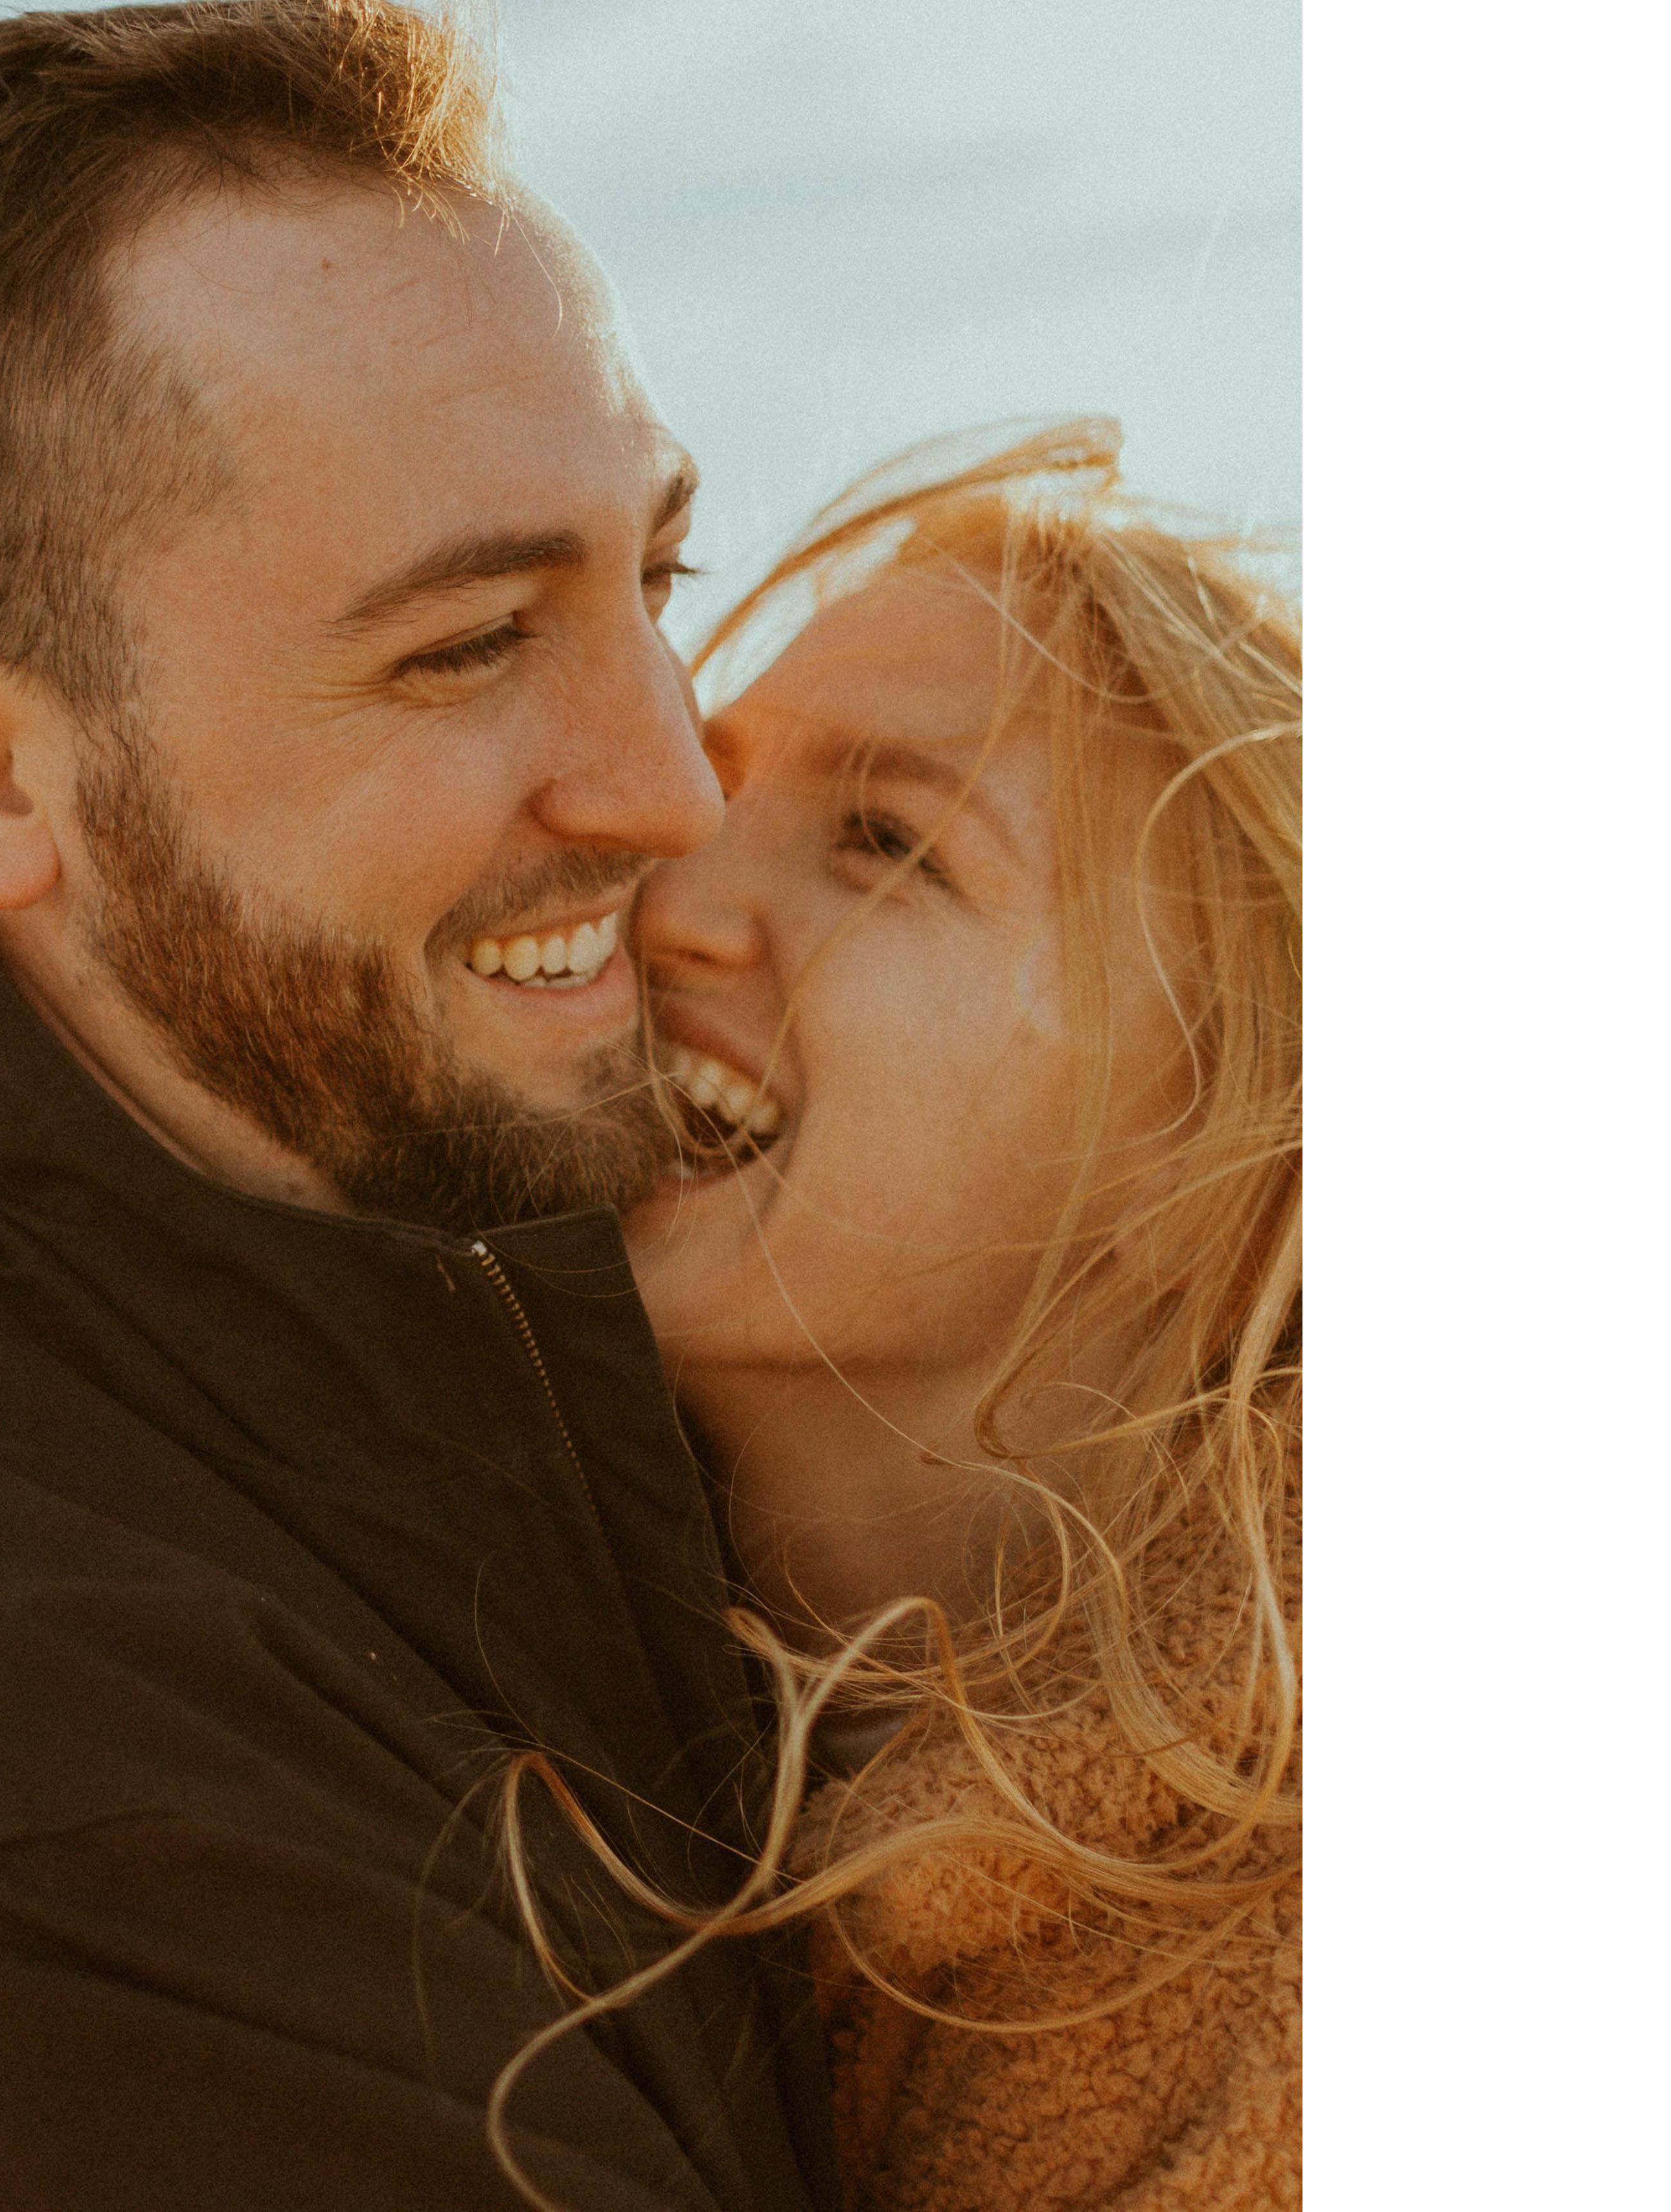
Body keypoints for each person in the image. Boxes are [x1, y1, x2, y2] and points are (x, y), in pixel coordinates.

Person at [0, 7, 838, 2209]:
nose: (672, 780)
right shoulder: (36, 1808)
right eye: (470, 645)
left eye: (647, 583)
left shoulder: (640, 1354)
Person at [498, 423, 1301, 2210]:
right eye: (701, 797)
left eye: (884, 843)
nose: (669, 903)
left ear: (1232, 1176)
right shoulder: (419, 1642)